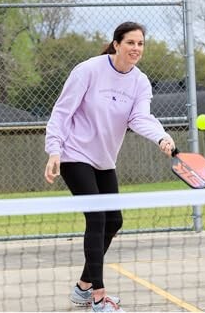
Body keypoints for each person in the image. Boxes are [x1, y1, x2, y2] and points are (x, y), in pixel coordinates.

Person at [44, 21, 175, 312]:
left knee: (114, 221)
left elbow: (140, 118)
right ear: (116, 44)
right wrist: (54, 151)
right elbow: (62, 111)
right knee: (98, 218)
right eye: (130, 43)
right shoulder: (88, 70)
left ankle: (82, 288)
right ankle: (99, 298)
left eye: (140, 44)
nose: (136, 49)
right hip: (74, 154)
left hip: (104, 159)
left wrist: (162, 138)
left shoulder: (140, 82)